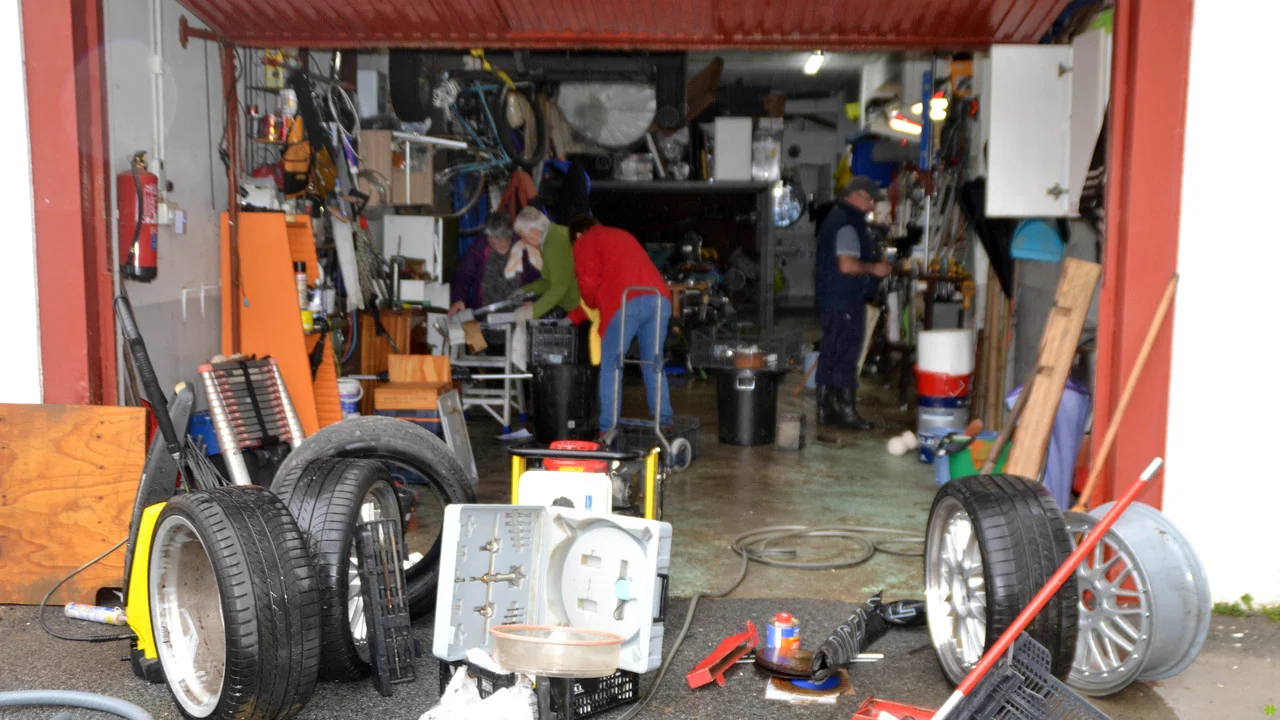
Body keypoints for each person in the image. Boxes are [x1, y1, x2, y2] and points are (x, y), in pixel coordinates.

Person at [573, 223, 673, 432]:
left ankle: (608, 429)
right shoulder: (621, 234)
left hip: (626, 301)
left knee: (612, 366)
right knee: (653, 363)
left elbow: (587, 282)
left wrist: (593, 303)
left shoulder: (585, 240)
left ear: (579, 233)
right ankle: (664, 424)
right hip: (659, 298)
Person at [814, 176, 893, 429]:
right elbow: (846, 265)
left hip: (834, 298)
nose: (872, 206)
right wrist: (874, 268)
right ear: (855, 196)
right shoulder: (847, 223)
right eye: (869, 200)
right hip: (844, 300)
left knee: (832, 353)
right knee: (845, 354)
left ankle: (827, 410)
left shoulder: (838, 218)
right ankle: (845, 412)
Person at [448, 211, 540, 315]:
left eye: (498, 240)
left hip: (519, 313)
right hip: (485, 313)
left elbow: (538, 280)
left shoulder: (524, 249)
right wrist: (458, 299)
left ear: (509, 236)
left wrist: (535, 301)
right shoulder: (479, 248)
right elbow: (463, 276)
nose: (491, 241)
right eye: (490, 238)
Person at [513, 207, 581, 319]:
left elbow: (558, 288)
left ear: (533, 231)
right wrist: (525, 290)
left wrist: (532, 312)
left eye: (523, 237)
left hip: (585, 309)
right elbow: (549, 281)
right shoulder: (551, 238)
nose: (524, 241)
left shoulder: (555, 244)